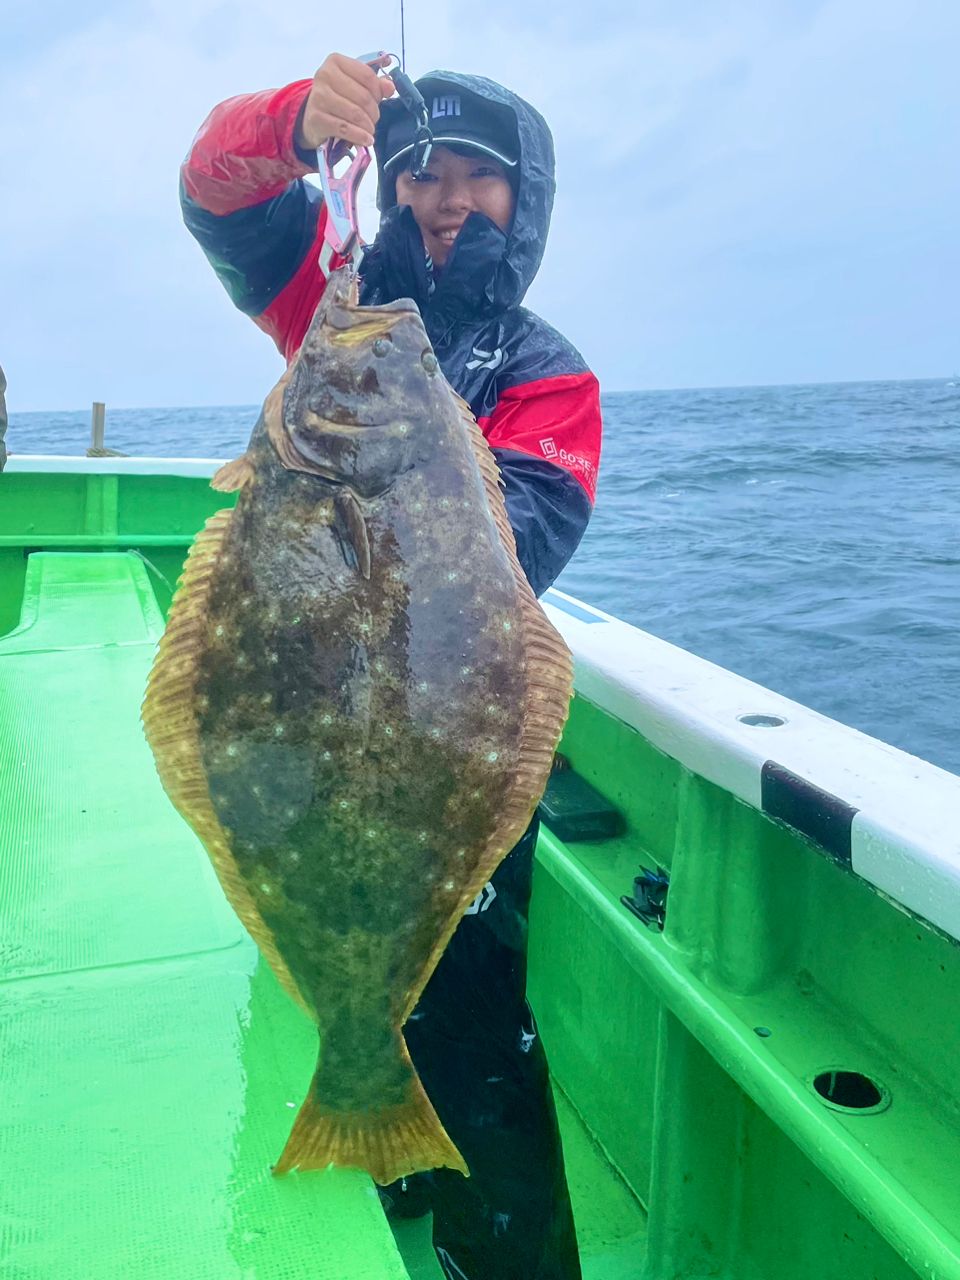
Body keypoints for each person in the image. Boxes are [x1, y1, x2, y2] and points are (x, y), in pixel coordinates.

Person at [181, 52, 601, 1280]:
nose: (448, 198)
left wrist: (398, 477)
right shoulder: (333, 299)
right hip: (312, 725)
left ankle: (500, 1253)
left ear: (527, 205)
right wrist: (289, 119)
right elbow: (217, 193)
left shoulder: (546, 369)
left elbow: (522, 542)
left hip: (453, 747)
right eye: (423, 173)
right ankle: (374, 1150)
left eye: (482, 177)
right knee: (325, 978)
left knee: (475, 1026)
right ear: (387, 186)